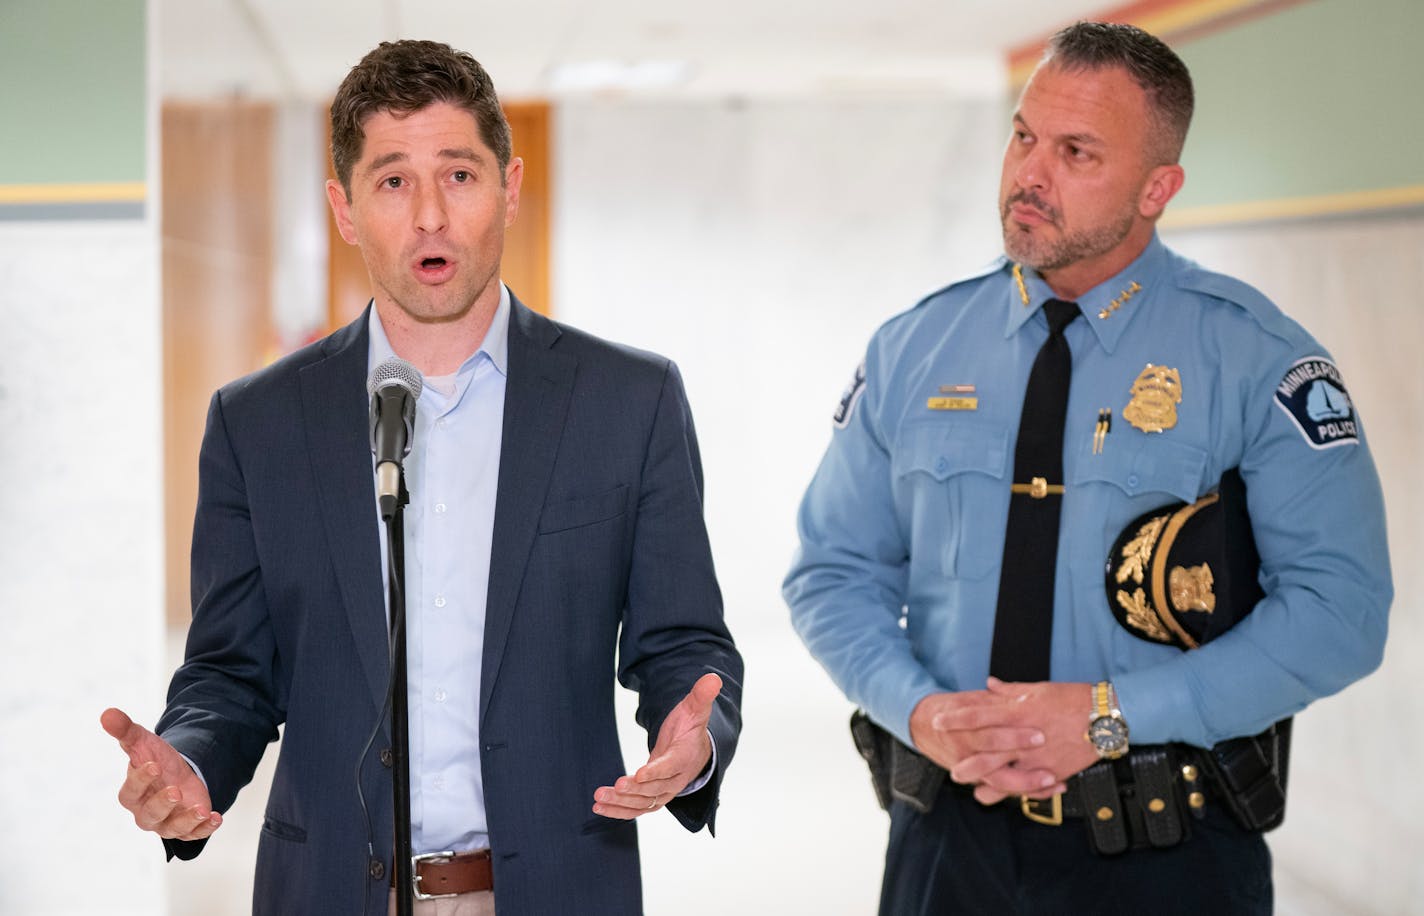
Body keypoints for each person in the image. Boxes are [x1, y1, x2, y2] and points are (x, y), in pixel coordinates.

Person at [102, 39, 742, 915]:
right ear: (345, 208)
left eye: (461, 175)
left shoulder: (628, 401)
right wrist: (190, 755)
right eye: (394, 181)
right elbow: (230, 674)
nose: (431, 216)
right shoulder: (256, 423)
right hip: (329, 890)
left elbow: (684, 644)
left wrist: (693, 741)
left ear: (510, 187)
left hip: (555, 888)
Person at [783, 20, 1390, 915]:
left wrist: (1111, 716)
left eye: (1076, 152)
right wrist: (917, 711)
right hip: (946, 846)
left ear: (1158, 187)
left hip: (1169, 856)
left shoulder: (1256, 359)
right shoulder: (914, 348)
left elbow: (1342, 613)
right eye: (1024, 135)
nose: (1030, 173)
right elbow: (832, 572)